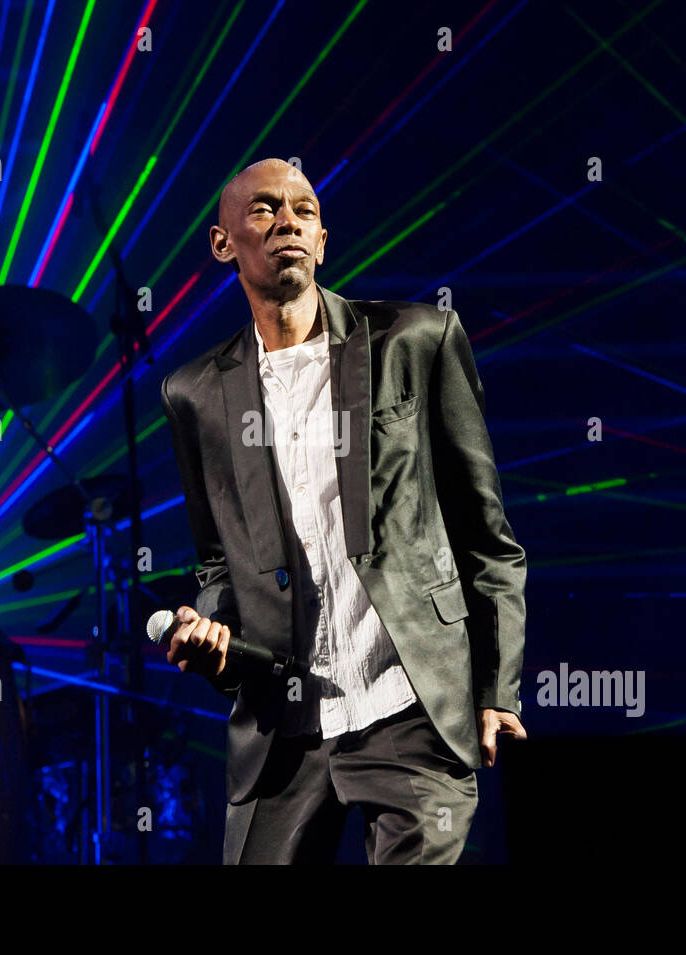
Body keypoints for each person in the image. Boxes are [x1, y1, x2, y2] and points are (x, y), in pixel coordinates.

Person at [159, 158, 527, 864]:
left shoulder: (415, 340)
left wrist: (497, 687)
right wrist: (211, 631)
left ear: (323, 240)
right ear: (223, 242)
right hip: (284, 724)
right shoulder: (195, 394)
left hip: (410, 699)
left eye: (304, 209)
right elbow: (219, 560)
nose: (288, 220)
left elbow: (488, 535)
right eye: (264, 209)